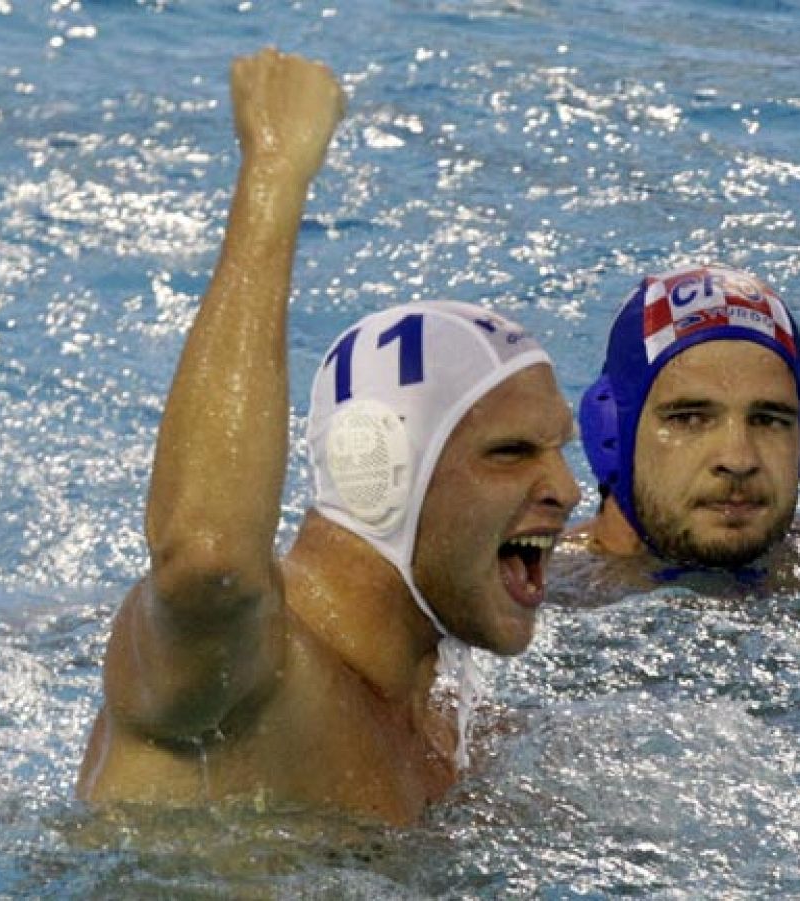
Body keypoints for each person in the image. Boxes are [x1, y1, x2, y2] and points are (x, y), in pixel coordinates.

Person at [76, 48, 581, 826]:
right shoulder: (245, 682)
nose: (567, 488)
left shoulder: (452, 735)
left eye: (559, 448)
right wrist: (274, 172)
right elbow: (207, 561)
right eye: (510, 452)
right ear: (382, 467)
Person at [561, 264, 800, 592]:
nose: (739, 460)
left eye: (768, 420)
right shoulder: (531, 597)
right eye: (690, 419)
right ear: (611, 436)